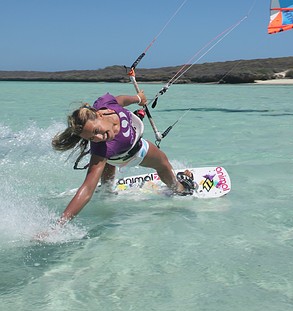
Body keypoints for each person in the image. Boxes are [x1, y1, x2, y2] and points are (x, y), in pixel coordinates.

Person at [51, 91, 194, 226]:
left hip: (120, 151)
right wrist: (59, 225)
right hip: (133, 154)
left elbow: (120, 100)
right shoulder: (100, 149)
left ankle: (107, 193)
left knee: (110, 162)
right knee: (162, 163)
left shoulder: (106, 104)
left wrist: (138, 98)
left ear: (99, 114)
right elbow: (87, 189)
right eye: (91, 138)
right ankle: (180, 188)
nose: (99, 138)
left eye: (96, 131)